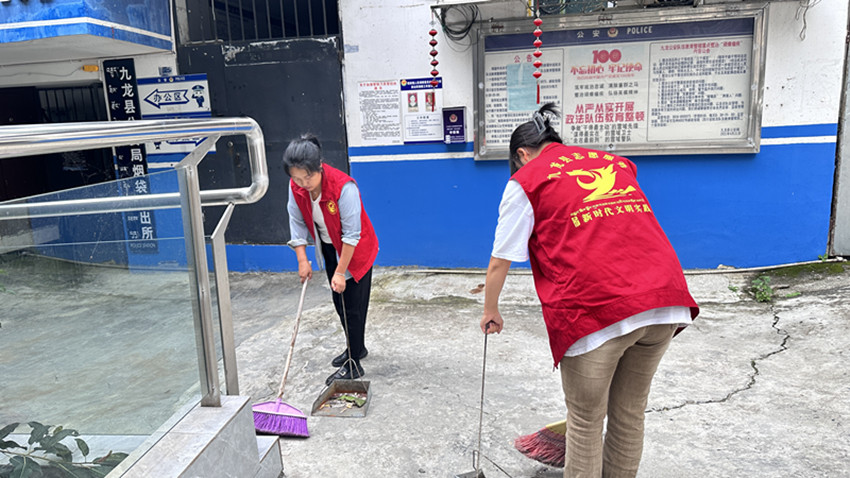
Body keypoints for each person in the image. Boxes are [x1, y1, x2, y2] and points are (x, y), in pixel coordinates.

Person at [480, 103, 699, 477]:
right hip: (664, 299)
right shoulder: (612, 162)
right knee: (629, 412)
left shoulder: (528, 179)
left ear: (522, 154)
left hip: (598, 309)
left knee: (584, 422)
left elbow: (500, 260)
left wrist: (490, 310)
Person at [284, 134, 379, 385]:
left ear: (320, 166)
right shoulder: (296, 187)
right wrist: (302, 260)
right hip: (329, 248)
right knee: (340, 303)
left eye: (308, 177)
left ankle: (354, 364)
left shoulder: (343, 187)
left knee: (353, 307)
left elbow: (352, 235)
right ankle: (356, 348)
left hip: (355, 249)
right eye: (297, 178)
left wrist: (340, 272)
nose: (303, 184)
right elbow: (296, 222)